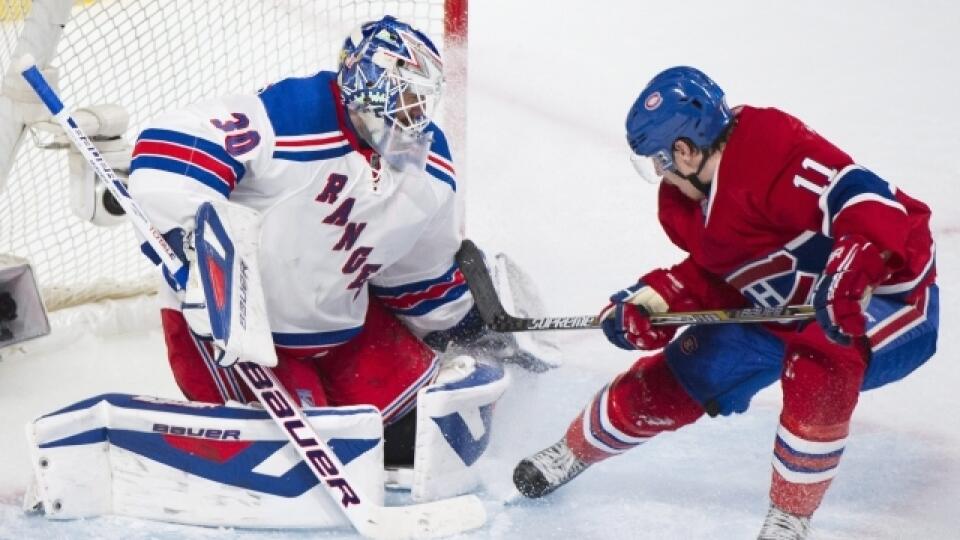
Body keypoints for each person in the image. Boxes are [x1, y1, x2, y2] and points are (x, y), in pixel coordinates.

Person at [512, 66, 937, 539]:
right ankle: (571, 452)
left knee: (819, 359)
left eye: (660, 160)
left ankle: (789, 520)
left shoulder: (772, 149)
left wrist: (851, 271)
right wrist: (656, 299)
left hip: (888, 299)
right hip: (783, 309)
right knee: (683, 372)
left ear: (686, 151)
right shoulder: (688, 206)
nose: (659, 174)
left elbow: (870, 202)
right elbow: (725, 271)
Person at [127, 15, 505, 466]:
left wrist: (466, 328)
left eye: (418, 100)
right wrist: (191, 241)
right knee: (299, 458)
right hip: (242, 338)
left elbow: (417, 277)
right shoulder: (290, 116)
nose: (410, 114)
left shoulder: (429, 168)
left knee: (433, 435)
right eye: (399, 95)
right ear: (363, 84)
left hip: (345, 333)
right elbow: (171, 146)